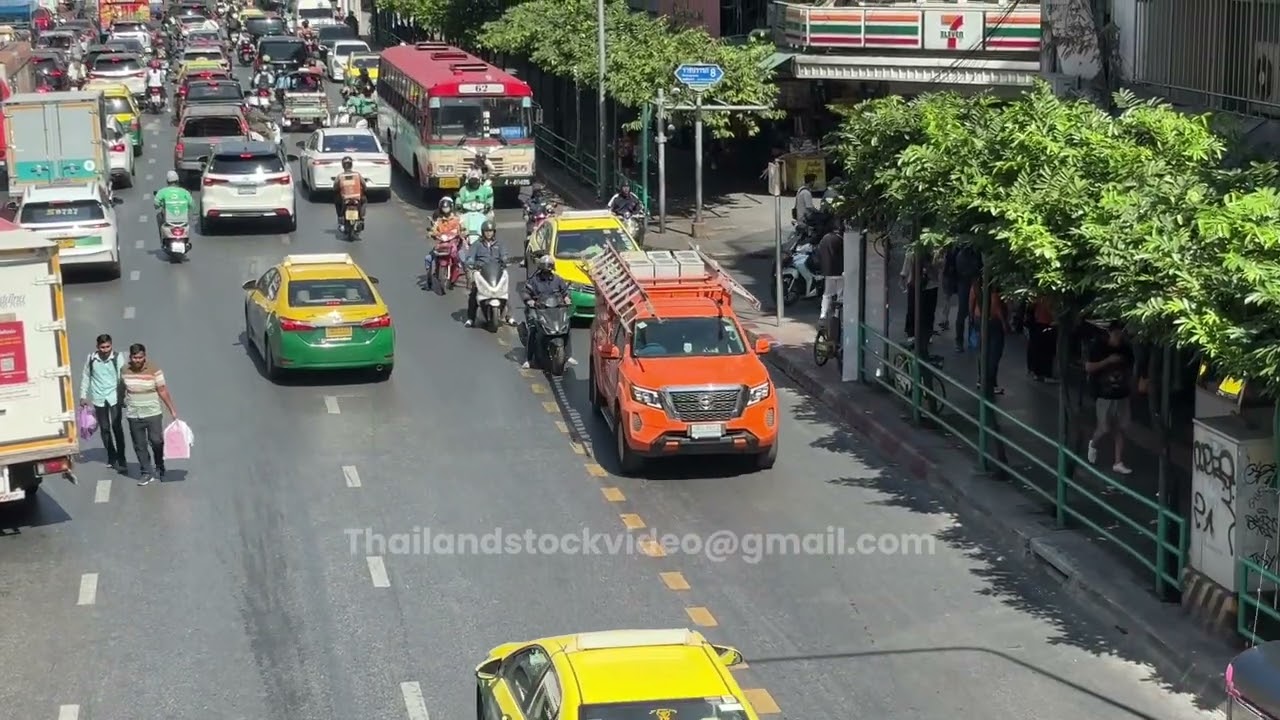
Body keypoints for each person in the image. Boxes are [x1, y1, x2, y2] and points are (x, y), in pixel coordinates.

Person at [121, 343, 178, 486]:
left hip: (153, 413)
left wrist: (172, 409)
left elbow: (162, 390)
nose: (137, 360)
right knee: (139, 445)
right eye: (135, 357)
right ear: (131, 357)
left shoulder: (154, 369)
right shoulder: (124, 370)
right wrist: (122, 401)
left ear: (144, 357)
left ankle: (160, 466)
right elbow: (121, 388)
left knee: (156, 441)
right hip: (134, 414)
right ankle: (146, 472)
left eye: (140, 357)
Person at [1086, 321, 1135, 475]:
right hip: (1103, 394)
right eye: (1117, 333)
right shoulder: (1099, 347)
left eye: (1121, 333)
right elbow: (1089, 367)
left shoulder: (1126, 349)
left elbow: (1130, 368)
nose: (1119, 336)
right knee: (1105, 427)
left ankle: (1118, 461)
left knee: (1121, 428)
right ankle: (1093, 443)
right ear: (1110, 333)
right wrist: (1107, 361)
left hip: (1121, 393)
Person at [79, 334, 127, 474]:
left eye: (108, 347)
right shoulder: (91, 359)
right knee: (105, 429)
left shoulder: (117, 358)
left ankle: (122, 459)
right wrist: (83, 396)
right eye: (102, 347)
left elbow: (122, 378)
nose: (105, 350)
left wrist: (123, 396)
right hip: (99, 398)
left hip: (114, 397)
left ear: (111, 345)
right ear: (97, 347)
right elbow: (86, 377)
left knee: (116, 427)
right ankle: (112, 457)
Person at [521, 254, 576, 370]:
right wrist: (530, 301)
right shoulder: (534, 281)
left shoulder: (558, 279)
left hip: (555, 310)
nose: (547, 272)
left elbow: (565, 292)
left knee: (566, 327)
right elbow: (526, 292)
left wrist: (567, 298)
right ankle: (528, 359)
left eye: (549, 269)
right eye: (545, 270)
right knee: (532, 329)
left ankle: (569, 355)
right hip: (538, 309)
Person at [463, 221, 513, 327]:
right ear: (483, 232)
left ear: (494, 232)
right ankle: (470, 318)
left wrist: (505, 259)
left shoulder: (500, 244)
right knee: (473, 293)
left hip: (497, 272)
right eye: (486, 231)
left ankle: (509, 317)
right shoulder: (477, 244)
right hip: (481, 272)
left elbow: (504, 255)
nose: (489, 233)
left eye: (490, 231)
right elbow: (470, 257)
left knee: (504, 292)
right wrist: (471, 262)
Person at [969, 281, 1010, 395]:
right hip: (993, 322)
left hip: (978, 319)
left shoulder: (976, 285)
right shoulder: (993, 289)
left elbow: (971, 302)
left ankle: (981, 379)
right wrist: (1004, 323)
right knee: (994, 354)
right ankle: (990, 383)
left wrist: (972, 317)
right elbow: (997, 307)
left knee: (983, 350)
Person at [901, 247, 939, 341]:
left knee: (929, 312)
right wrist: (903, 279)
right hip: (914, 285)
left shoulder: (934, 254)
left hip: (930, 286)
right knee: (912, 309)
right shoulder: (912, 253)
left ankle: (927, 333)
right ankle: (911, 332)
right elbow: (906, 268)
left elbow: (938, 270)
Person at [1025, 296, 1058, 383]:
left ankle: (1036, 372)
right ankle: (1044, 374)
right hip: (1045, 324)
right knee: (1046, 351)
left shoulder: (1038, 297)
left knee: (1037, 349)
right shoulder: (1047, 298)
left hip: (1038, 324)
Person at [816, 222, 843, 322]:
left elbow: (819, 253)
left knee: (827, 294)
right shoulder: (840, 239)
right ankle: (836, 315)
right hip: (840, 272)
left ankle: (823, 315)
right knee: (840, 295)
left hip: (828, 272)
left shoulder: (824, 239)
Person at [332, 156, 367, 223]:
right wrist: (364, 190)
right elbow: (364, 185)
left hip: (344, 199)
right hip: (357, 198)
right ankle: (362, 216)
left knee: (336, 200)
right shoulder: (357, 174)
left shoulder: (340, 176)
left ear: (343, 166)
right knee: (364, 200)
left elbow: (335, 188)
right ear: (351, 165)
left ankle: (340, 216)